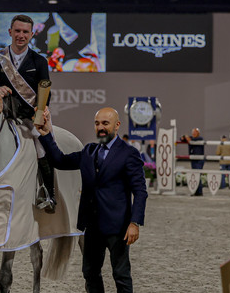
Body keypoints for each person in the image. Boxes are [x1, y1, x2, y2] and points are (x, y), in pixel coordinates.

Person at [35, 106, 147, 293]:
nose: (101, 127)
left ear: (117, 125)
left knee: (121, 274)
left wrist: (135, 222)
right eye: (97, 123)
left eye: (105, 123)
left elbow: (140, 191)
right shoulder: (88, 151)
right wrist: (46, 134)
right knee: (90, 273)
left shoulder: (129, 154)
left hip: (118, 227)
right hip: (92, 226)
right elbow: (60, 161)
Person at [0, 14, 56, 213]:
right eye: (17, 31)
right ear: (10, 32)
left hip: (27, 118)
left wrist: (40, 112)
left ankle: (47, 193)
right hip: (2, 117)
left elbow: (45, 91)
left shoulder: (40, 61)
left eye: (25, 32)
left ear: (32, 35)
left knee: (41, 149)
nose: (21, 35)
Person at [181, 128, 205, 196]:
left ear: (198, 133)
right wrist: (183, 137)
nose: (194, 133)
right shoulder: (191, 138)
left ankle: (199, 191)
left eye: (195, 132)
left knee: (198, 174)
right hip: (193, 159)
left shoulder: (200, 138)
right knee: (194, 175)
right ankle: (196, 191)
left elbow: (190, 140)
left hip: (199, 159)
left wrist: (186, 137)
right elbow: (182, 139)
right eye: (193, 132)